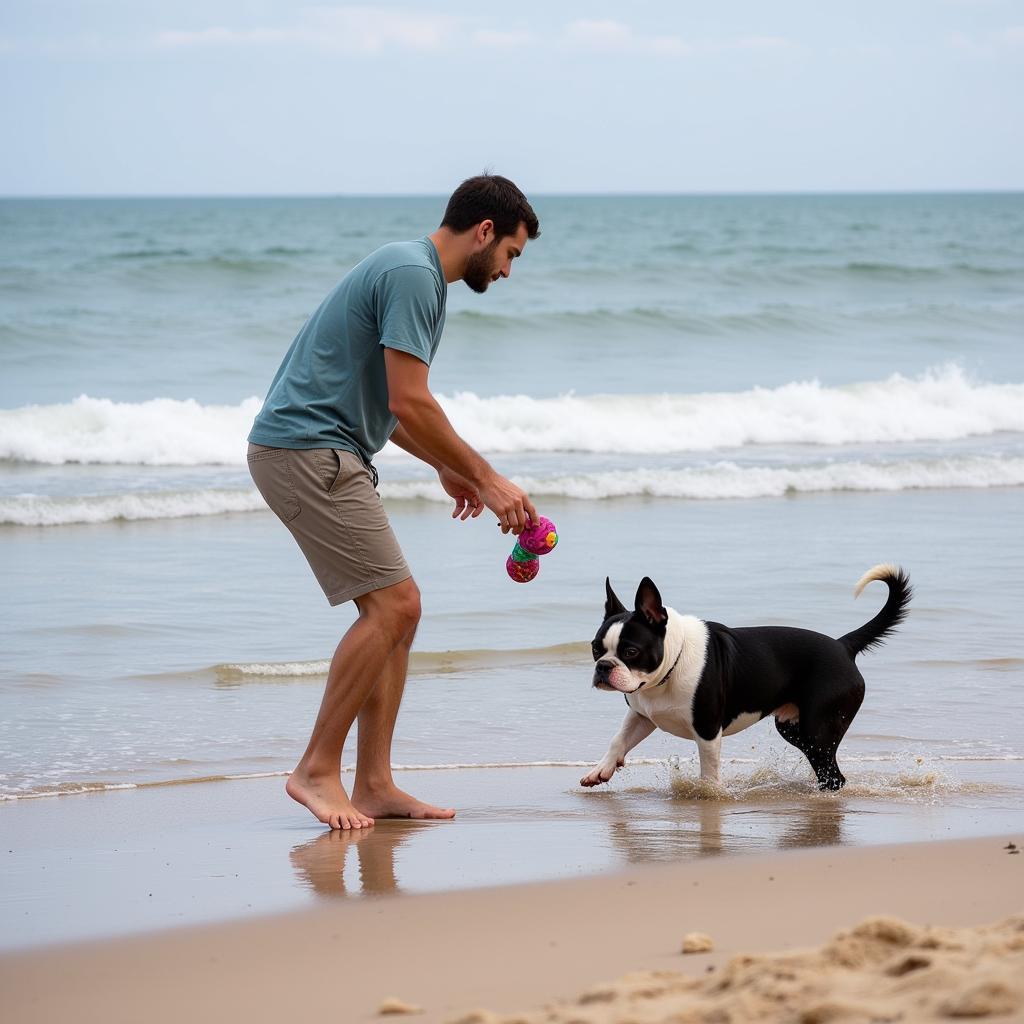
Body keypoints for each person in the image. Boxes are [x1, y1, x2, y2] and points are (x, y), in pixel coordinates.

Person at [247, 174, 540, 830]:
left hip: (323, 450)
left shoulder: (415, 273)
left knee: (399, 614)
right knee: (395, 604)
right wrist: (488, 479)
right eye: (512, 254)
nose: (509, 270)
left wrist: (445, 465)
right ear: (485, 231)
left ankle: (373, 783)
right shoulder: (414, 274)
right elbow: (410, 399)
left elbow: (389, 401)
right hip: (307, 451)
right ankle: (315, 770)